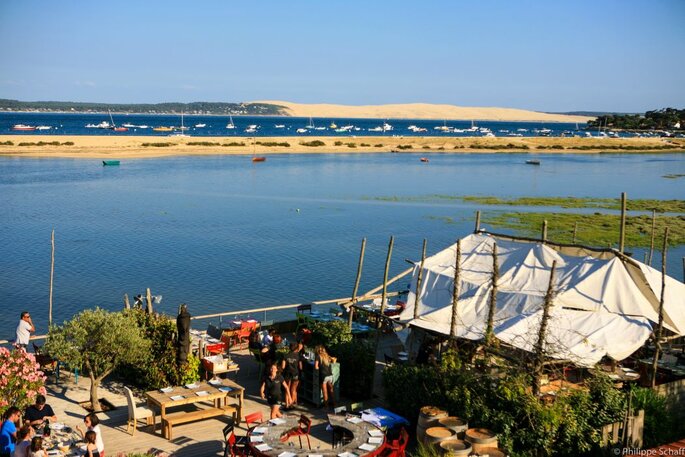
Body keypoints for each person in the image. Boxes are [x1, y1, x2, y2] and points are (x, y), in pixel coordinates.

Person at [282, 341, 303, 408]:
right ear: (296, 348)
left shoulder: (285, 355)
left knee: (287, 388)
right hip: (295, 373)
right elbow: (300, 367)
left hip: (287, 373)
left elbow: (283, 366)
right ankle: (292, 404)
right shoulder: (298, 356)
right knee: (293, 389)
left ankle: (287, 404)